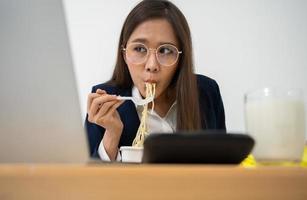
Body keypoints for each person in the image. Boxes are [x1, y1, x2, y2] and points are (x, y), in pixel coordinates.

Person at [86, 0, 226, 161]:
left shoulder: (206, 92)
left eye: (166, 50)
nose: (152, 65)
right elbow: (88, 182)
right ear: (124, 53)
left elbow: (222, 167)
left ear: (181, 58)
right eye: (139, 49)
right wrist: (111, 136)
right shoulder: (104, 102)